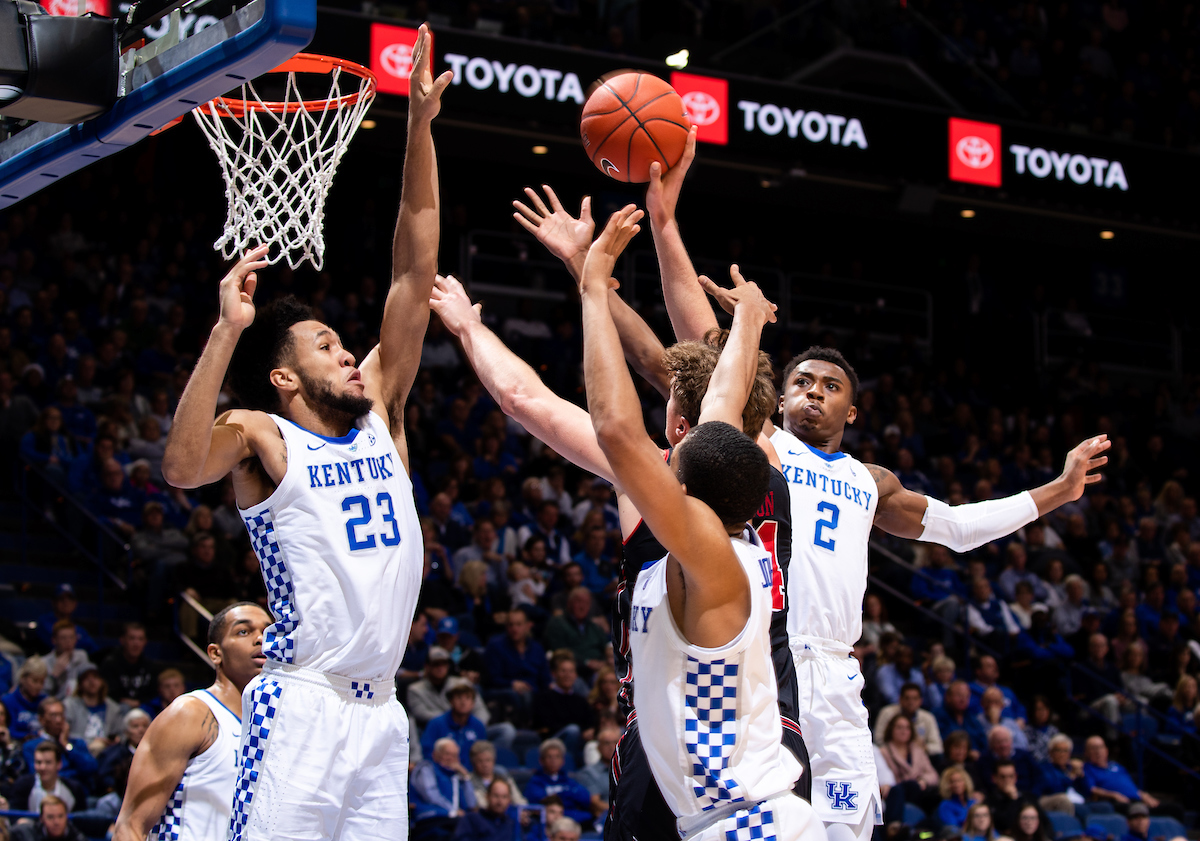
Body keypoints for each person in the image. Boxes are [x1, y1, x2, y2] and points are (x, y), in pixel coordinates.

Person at [654, 139, 1112, 841]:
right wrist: (665, 225)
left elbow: (959, 528)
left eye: (829, 385)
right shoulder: (763, 444)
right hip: (767, 658)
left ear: (853, 410)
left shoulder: (870, 482)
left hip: (839, 675)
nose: (812, 391)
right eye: (801, 381)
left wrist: (1060, 488)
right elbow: (707, 343)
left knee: (849, 830)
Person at [444, 175, 808, 841]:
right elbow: (720, 380)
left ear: (678, 431)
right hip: (776, 727)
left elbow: (537, 402)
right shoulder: (761, 462)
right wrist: (748, 319)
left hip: (692, 753)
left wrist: (478, 323)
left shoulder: (660, 490)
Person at [158, 25, 449, 841]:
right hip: (302, 703)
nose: (350, 353)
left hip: (382, 713)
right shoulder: (263, 436)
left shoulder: (382, 411)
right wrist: (228, 330)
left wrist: (419, 128)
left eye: (345, 343)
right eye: (326, 346)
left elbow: (413, 266)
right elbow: (182, 466)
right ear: (284, 378)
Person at [574, 208, 820, 839]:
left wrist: (593, 286)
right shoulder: (757, 484)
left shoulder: (700, 545)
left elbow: (615, 426)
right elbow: (724, 394)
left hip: (737, 816)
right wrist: (748, 319)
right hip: (770, 776)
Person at [110, 603, 270, 841]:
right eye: (243, 631)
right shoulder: (191, 713)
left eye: (268, 631)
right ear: (215, 653)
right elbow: (130, 826)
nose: (260, 639)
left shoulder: (275, 727)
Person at [410, 738, 477, 840]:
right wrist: (453, 811)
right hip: (430, 819)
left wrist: (465, 777)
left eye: (454, 755)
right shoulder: (426, 769)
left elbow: (471, 804)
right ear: (435, 754)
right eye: (447, 754)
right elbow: (431, 795)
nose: (451, 758)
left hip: (453, 821)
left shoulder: (456, 776)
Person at [20, 698, 97, 783]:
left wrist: (66, 744)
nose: (59, 720)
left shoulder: (76, 743)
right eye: (53, 716)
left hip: (77, 789)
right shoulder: (31, 746)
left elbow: (91, 768)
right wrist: (75, 773)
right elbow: (39, 775)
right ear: (41, 720)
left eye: (61, 715)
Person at [523, 738, 594, 828]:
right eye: (549, 757)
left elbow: (585, 799)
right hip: (549, 823)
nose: (553, 760)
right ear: (541, 760)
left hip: (573, 819)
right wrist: (568, 794)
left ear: (563, 761)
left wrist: (559, 795)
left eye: (557, 757)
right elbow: (544, 803)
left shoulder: (569, 780)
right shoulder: (535, 782)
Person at [421, 678, 488, 771]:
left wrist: (466, 773)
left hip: (471, 774)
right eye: (459, 698)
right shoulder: (436, 723)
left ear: (473, 703)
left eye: (468, 698)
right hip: (441, 772)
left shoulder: (478, 726)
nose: (463, 702)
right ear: (451, 701)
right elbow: (427, 752)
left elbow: (483, 754)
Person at [9, 742, 87, 813]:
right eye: (39, 762)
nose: (43, 767)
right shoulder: (22, 785)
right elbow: (15, 815)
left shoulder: (74, 789)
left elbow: (80, 819)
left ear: (59, 764)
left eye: (48, 762)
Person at [62, 667, 122, 755]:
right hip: (79, 749)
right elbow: (66, 734)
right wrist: (91, 740)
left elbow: (120, 733)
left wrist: (117, 739)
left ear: (102, 681)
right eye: (86, 678)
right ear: (80, 684)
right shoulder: (69, 705)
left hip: (108, 751)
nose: (92, 682)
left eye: (95, 677)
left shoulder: (113, 707)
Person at [874, 682, 944, 757]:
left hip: (919, 755)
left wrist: (922, 748)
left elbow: (938, 746)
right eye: (907, 698)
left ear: (921, 701)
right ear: (900, 699)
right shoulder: (887, 713)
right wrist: (898, 747)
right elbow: (878, 740)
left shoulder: (928, 717)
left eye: (915, 698)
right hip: (890, 755)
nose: (911, 702)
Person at [99, 623, 158, 709]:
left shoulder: (150, 667)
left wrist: (139, 702)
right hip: (116, 709)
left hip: (143, 709)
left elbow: (154, 695)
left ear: (145, 642)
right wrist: (123, 701)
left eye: (140, 639)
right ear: (122, 640)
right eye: (132, 638)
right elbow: (107, 694)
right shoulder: (110, 664)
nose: (136, 643)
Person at [36, 622, 92, 700]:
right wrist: (54, 676)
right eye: (63, 638)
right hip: (55, 703)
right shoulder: (43, 663)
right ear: (54, 640)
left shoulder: (82, 656)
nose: (68, 642)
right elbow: (42, 694)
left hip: (79, 702)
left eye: (71, 637)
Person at [452, 778, 517, 841]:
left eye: (504, 797)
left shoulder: (511, 824)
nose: (500, 802)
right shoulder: (471, 819)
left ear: (509, 800)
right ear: (487, 796)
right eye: (496, 796)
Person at [467, 740, 526, 808]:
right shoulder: (469, 781)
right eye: (480, 761)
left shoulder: (503, 777)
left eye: (488, 760)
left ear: (494, 760)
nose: (485, 765)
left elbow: (519, 801)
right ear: (473, 762)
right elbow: (482, 805)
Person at [2, 659, 48, 740]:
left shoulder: (45, 702)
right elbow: (9, 731)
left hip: (44, 743)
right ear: (23, 678)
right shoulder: (8, 701)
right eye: (35, 681)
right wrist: (31, 736)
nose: (38, 686)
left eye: (42, 682)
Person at [10, 795, 87, 841]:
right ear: (41, 818)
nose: (56, 822)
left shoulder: (78, 838)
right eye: (50, 817)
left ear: (66, 816)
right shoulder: (28, 832)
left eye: (60, 816)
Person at [936, 766, 978, 831]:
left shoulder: (973, 802)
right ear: (946, 785)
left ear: (965, 782)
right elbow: (953, 830)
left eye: (959, 781)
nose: (956, 785)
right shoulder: (945, 806)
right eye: (952, 782)